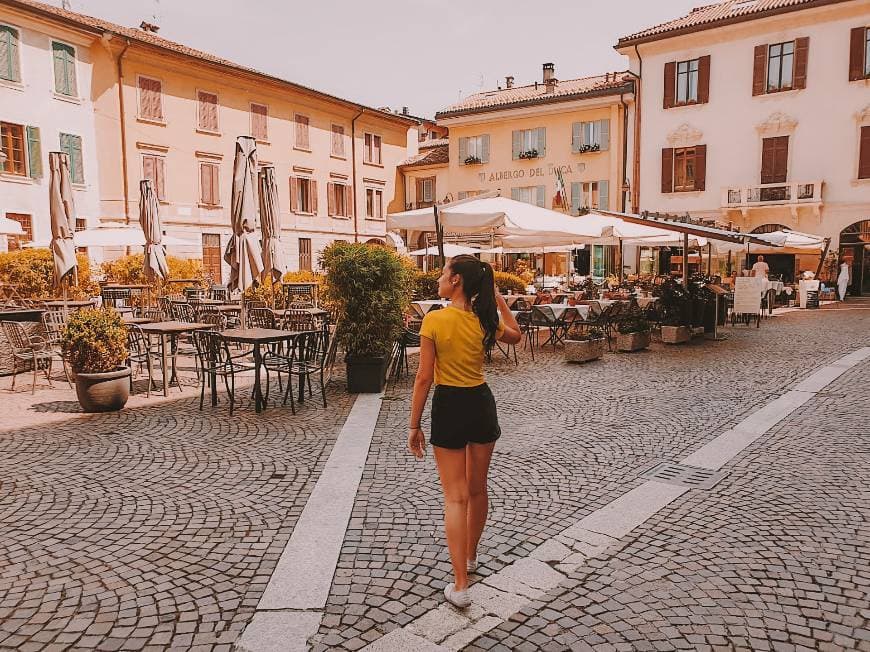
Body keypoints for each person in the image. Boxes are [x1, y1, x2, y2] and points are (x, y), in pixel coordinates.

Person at [407, 255, 521, 609]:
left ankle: (460, 585)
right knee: (477, 488)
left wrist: (414, 424)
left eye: (443, 274)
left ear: (455, 281)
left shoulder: (435, 319)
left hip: (450, 406)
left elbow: (424, 376)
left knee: (455, 497)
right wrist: (498, 299)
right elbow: (516, 335)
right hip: (481, 403)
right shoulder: (484, 320)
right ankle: (471, 557)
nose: (439, 279)